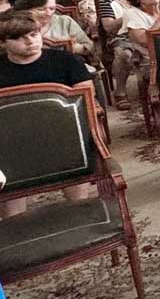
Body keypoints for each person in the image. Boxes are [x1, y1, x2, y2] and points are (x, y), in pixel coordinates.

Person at [0, 11, 94, 218]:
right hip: (12, 142)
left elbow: (86, 101)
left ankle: (81, 213)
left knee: (77, 151)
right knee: (12, 214)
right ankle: (14, 230)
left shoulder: (66, 61)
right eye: (19, 37)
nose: (30, 41)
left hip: (63, 136)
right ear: (4, 42)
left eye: (33, 34)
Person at [96, 0, 141, 108]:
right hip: (121, 36)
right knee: (124, 54)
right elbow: (108, 27)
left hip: (144, 33)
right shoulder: (107, 0)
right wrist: (128, 15)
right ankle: (120, 92)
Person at [13, 0, 93, 58]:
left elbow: (90, 48)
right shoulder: (14, 25)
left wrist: (70, 47)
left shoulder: (64, 21)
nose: (48, 13)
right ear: (25, 10)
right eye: (41, 9)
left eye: (52, 9)